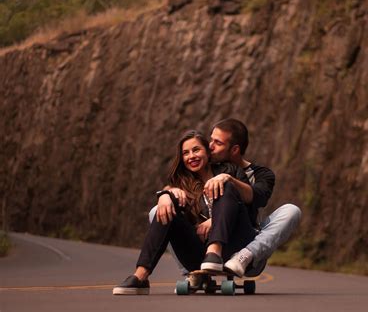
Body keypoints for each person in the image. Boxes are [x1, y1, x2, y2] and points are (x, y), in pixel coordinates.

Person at [151, 118, 302, 278]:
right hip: (204, 244)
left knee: (291, 211)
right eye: (211, 139)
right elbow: (179, 183)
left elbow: (256, 199)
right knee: (157, 211)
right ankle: (191, 272)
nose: (210, 146)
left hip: (245, 238)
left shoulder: (261, 174)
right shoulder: (204, 167)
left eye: (218, 143)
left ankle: (244, 257)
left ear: (234, 149)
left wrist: (228, 181)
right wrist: (166, 193)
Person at [113, 130, 257, 295]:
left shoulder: (230, 170)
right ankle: (141, 276)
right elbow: (172, 202)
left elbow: (249, 202)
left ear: (208, 152)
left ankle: (214, 252)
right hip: (198, 254)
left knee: (226, 185)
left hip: (235, 248)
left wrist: (226, 179)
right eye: (185, 153)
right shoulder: (182, 185)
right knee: (167, 208)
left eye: (196, 150)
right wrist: (165, 196)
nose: (191, 156)